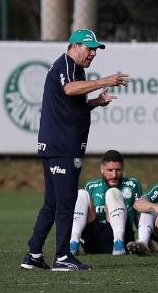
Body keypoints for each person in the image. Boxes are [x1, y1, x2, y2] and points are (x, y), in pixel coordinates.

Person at [21, 28, 129, 271]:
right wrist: (105, 80)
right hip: (62, 146)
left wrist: (96, 102)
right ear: (75, 46)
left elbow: (71, 104)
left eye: (95, 50)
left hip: (58, 145)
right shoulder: (67, 65)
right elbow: (69, 89)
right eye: (89, 48)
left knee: (52, 203)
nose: (93, 53)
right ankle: (62, 256)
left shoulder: (74, 69)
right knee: (66, 202)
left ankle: (34, 255)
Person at [69, 150, 142, 256]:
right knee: (81, 194)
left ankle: (118, 242)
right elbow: (81, 215)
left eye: (118, 170)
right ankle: (73, 242)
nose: (114, 175)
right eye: (110, 170)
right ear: (102, 169)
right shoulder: (92, 186)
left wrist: (144, 241)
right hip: (95, 240)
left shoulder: (132, 184)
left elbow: (139, 217)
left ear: (123, 170)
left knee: (113, 192)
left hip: (124, 236)